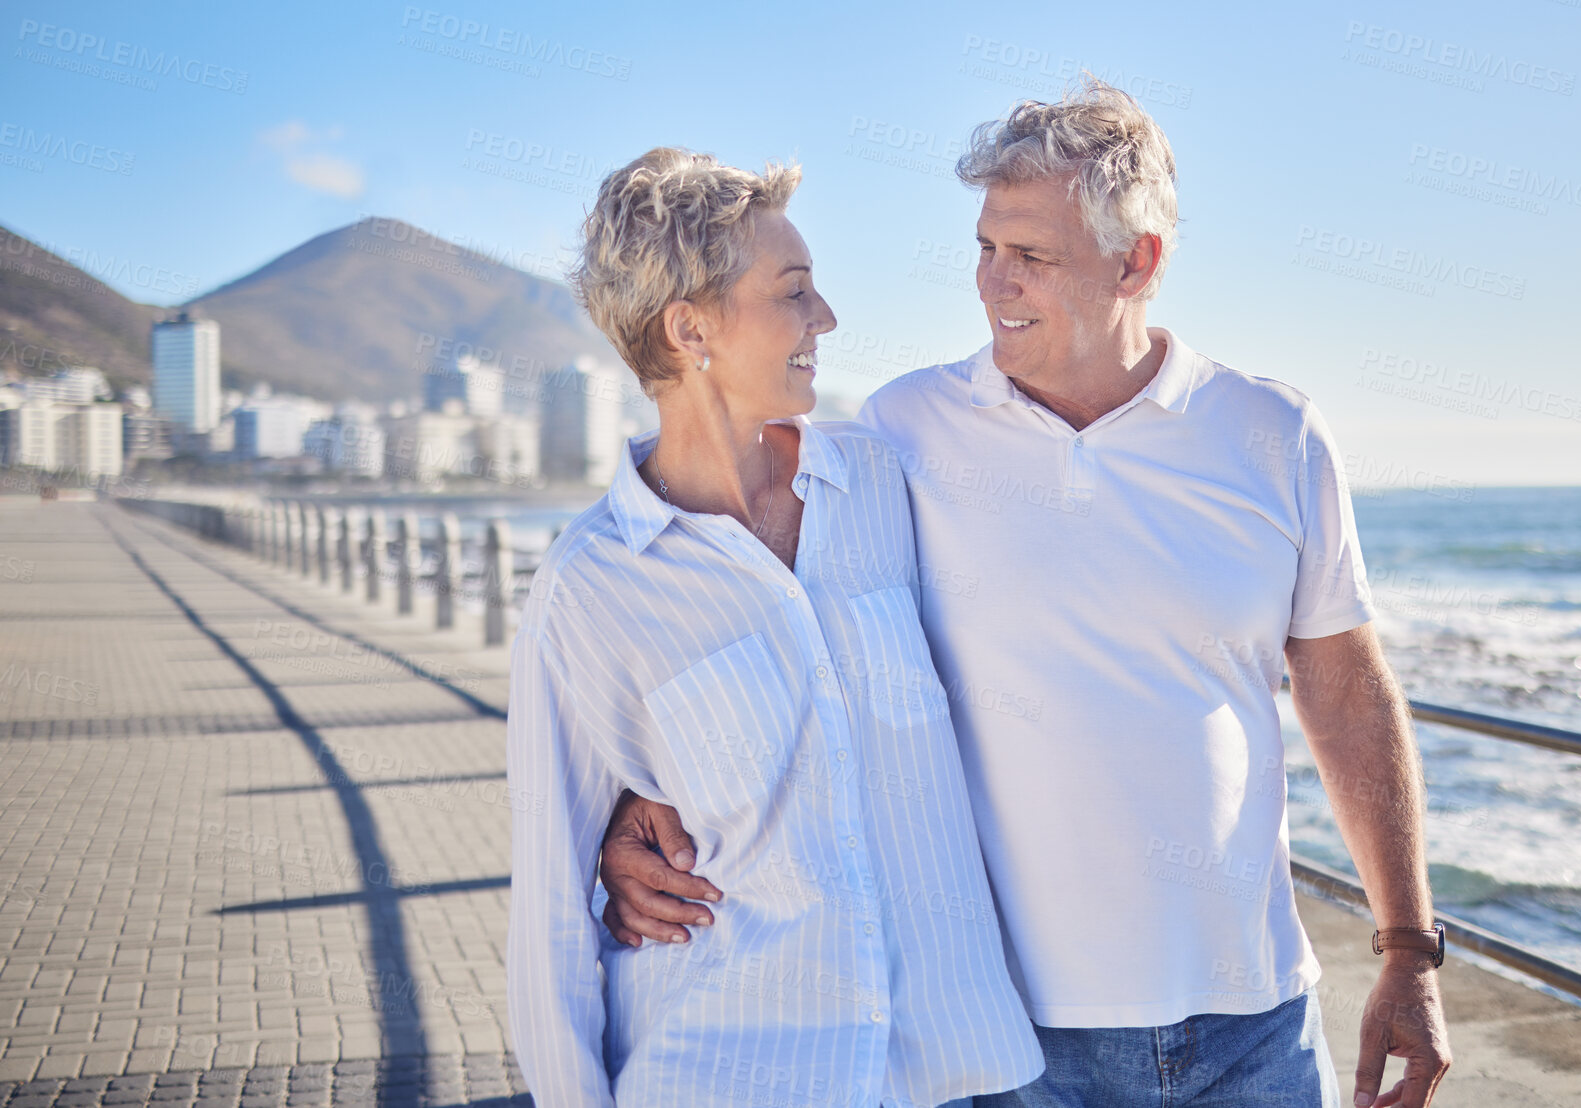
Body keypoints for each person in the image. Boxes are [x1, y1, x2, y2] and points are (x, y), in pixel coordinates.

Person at [600, 83, 1454, 1108]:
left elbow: (1347, 695)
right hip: (1004, 1042)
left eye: (1030, 258)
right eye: (984, 247)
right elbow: (757, 594)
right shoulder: (901, 432)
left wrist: (1406, 946)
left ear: (1135, 261)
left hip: (1254, 1023)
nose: (990, 282)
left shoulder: (1275, 434)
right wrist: (646, 794)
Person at [506, 147, 1043, 1107]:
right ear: (689, 328)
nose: (825, 319)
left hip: (943, 1073)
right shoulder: (590, 589)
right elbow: (549, 913)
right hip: (725, 1071)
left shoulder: (885, 483)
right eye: (793, 292)